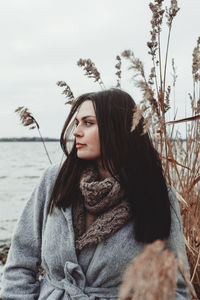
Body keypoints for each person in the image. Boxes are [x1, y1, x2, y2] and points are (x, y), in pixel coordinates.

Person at [0, 89, 191, 299]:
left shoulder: (155, 192)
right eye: (77, 122)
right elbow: (20, 261)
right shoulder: (55, 180)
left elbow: (174, 287)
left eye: (88, 123)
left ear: (116, 128)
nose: (76, 132)